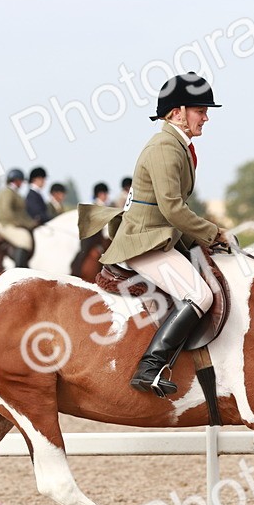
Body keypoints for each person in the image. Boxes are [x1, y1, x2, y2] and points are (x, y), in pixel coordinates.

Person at [79, 72, 226, 397]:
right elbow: (173, 209)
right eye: (200, 110)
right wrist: (214, 233)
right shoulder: (164, 147)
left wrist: (200, 242)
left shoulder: (177, 145)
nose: (206, 117)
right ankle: (149, 368)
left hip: (160, 236)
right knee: (200, 296)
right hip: (145, 242)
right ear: (177, 113)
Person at [0, 168, 38, 268]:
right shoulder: (7, 192)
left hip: (13, 224)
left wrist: (32, 223)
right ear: (16, 180)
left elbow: (22, 213)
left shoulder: (15, 193)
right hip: (6, 224)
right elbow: (6, 212)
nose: (22, 183)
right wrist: (26, 224)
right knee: (24, 240)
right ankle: (19, 269)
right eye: (21, 181)